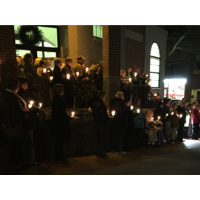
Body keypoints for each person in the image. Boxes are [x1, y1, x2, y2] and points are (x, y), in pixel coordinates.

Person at [0, 79, 28, 169]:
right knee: (17, 143)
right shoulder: (11, 96)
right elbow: (17, 111)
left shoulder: (6, 95)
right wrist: (28, 111)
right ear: (15, 86)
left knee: (15, 143)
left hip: (12, 122)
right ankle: (16, 163)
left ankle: (15, 162)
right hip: (15, 123)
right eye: (18, 85)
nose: (19, 87)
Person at [17, 78, 40, 167]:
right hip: (28, 122)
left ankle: (32, 158)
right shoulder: (21, 95)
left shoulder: (27, 93)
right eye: (25, 84)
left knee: (31, 141)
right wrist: (33, 109)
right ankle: (30, 160)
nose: (27, 85)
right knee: (29, 142)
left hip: (31, 121)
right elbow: (25, 109)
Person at [52, 84, 72, 161]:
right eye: (62, 90)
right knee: (59, 141)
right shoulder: (57, 100)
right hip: (60, 123)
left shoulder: (58, 99)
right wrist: (67, 117)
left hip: (60, 122)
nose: (63, 91)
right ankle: (59, 156)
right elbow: (60, 112)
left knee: (60, 141)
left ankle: (60, 155)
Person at [92, 91, 111, 158]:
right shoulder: (102, 106)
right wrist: (109, 119)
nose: (105, 98)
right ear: (102, 96)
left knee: (100, 138)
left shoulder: (94, 104)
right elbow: (104, 116)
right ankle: (101, 152)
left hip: (98, 123)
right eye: (105, 97)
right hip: (103, 124)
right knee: (103, 138)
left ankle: (98, 151)